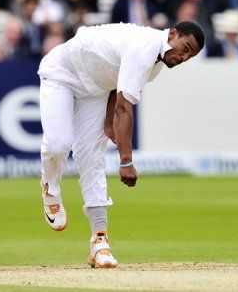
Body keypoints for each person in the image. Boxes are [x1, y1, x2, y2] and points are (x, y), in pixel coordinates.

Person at [37, 21, 204, 268]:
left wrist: (107, 119)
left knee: (91, 157)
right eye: (185, 48)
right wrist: (126, 162)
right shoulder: (144, 48)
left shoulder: (156, 66)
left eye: (190, 56)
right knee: (58, 145)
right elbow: (125, 108)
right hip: (62, 73)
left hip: (95, 92)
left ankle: (99, 241)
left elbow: (118, 85)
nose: (184, 57)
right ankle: (50, 187)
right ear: (172, 34)